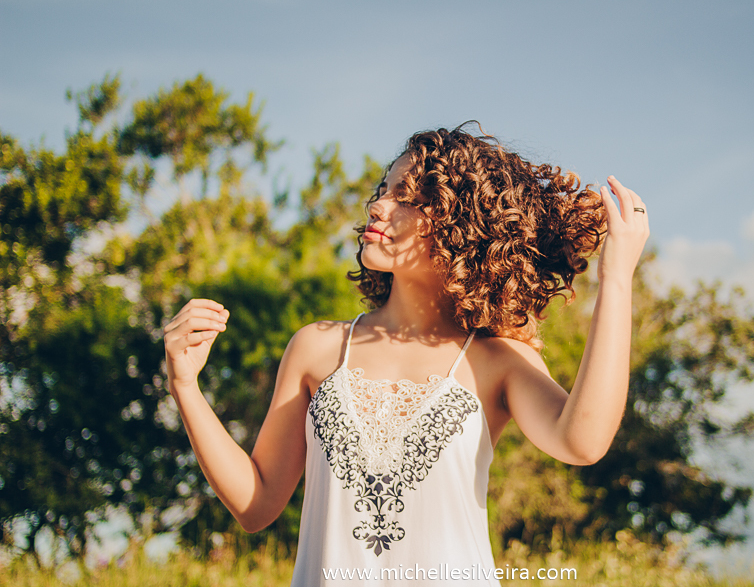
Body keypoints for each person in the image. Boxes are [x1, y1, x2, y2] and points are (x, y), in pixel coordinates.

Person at [163, 124, 649, 585]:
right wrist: (186, 386)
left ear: (465, 227)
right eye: (386, 189)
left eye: (409, 197)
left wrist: (617, 279)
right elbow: (257, 505)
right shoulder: (317, 347)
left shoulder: (498, 361)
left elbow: (582, 442)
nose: (379, 206)